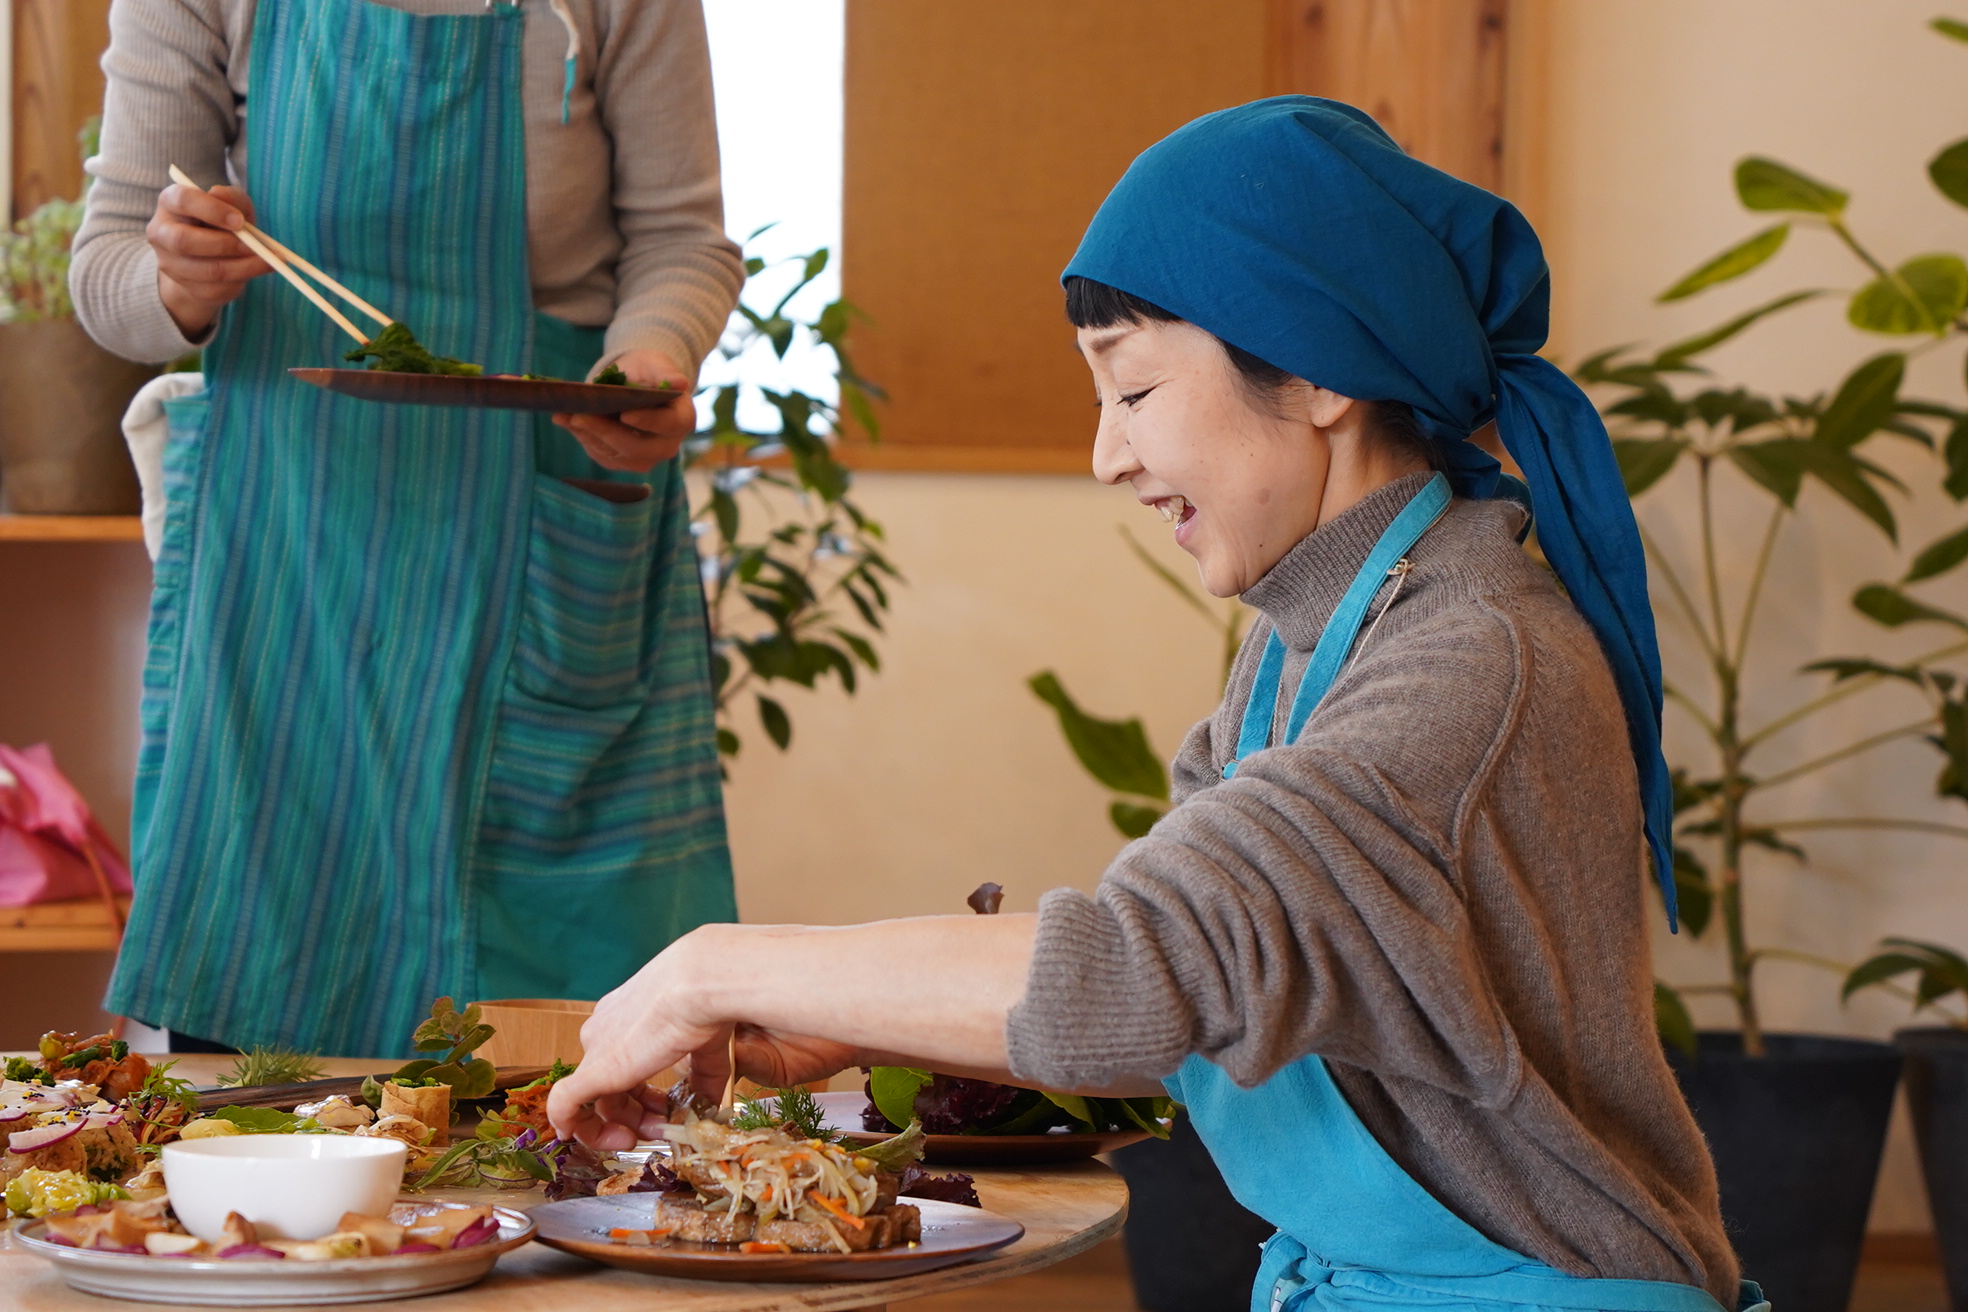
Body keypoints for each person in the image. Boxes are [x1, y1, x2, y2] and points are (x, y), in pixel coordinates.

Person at [547, 99, 1765, 1312]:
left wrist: (715, 967)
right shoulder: (1301, 647)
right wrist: (852, 1027)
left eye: (1131, 391)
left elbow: (1147, 964)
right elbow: (1188, 978)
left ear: (1315, 370)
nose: (1107, 457)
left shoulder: (1470, 661)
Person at [71, 0, 742, 1056]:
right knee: (254, 1056)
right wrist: (172, 279)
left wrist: (651, 358)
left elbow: (681, 241)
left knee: (572, 1078)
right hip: (285, 552)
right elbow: (108, 267)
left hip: (541, 508)